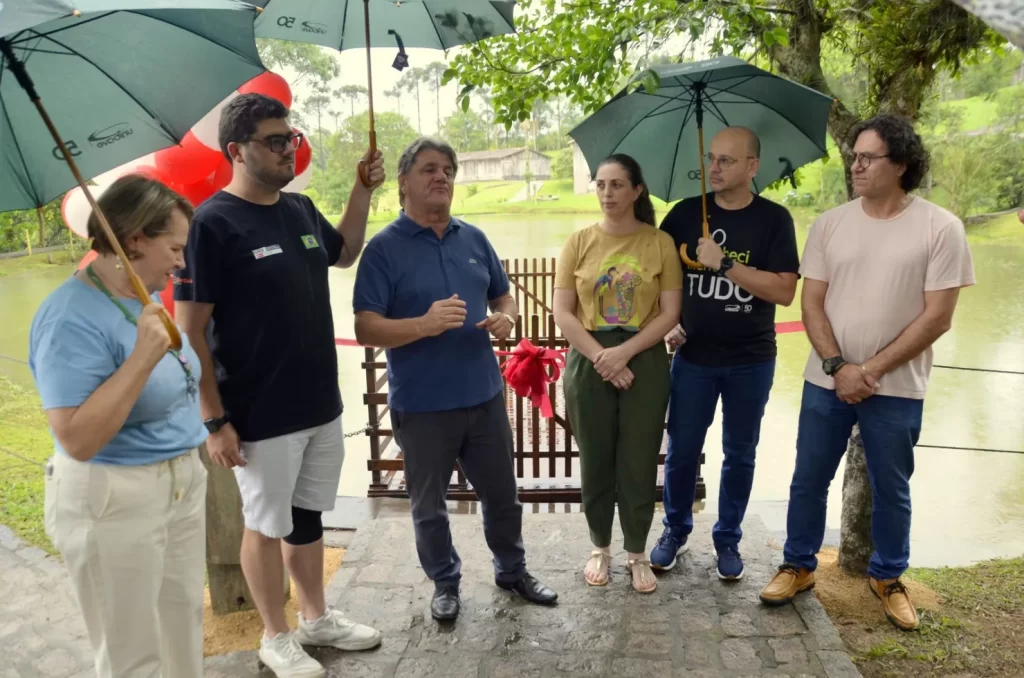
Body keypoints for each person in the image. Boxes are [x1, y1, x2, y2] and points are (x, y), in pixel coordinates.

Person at [174, 93, 384, 678]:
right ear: (236, 151)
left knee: (307, 518)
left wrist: (362, 190)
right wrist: (215, 421)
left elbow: (344, 254)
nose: (288, 148)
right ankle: (275, 633)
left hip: (319, 402)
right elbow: (188, 332)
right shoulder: (212, 224)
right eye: (274, 140)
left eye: (290, 138)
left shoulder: (299, 209)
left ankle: (316, 618)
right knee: (265, 525)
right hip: (257, 412)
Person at [759, 115, 975, 631]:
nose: (855, 165)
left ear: (899, 164)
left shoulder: (939, 227)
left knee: (891, 485)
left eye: (867, 157)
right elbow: (812, 303)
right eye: (854, 156)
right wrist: (838, 367)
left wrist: (869, 370)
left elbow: (938, 317)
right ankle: (798, 565)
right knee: (808, 478)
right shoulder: (832, 223)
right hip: (825, 381)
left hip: (896, 386)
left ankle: (888, 577)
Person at [352, 137, 558, 621]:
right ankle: (445, 582)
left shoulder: (474, 239)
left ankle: (512, 570)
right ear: (403, 182)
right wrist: (423, 324)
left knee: (504, 497)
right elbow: (365, 328)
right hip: (421, 406)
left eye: (447, 169)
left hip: (483, 396)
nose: (440, 176)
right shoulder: (383, 249)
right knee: (429, 507)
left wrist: (507, 318)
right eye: (428, 169)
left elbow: (503, 297)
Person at [29, 174, 208, 678]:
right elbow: (77, 438)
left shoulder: (136, 297)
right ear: (133, 240)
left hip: (178, 485)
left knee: (182, 627)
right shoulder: (69, 316)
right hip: (114, 499)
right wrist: (142, 359)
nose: (180, 261)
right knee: (133, 653)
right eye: (174, 248)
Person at [651, 127, 800, 580]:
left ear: (752, 167)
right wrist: (668, 321)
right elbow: (658, 278)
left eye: (726, 161)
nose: (714, 168)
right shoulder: (681, 216)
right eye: (711, 159)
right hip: (693, 358)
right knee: (681, 450)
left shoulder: (774, 220)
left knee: (740, 452)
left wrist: (726, 264)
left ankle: (727, 538)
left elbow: (785, 290)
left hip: (750, 360)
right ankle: (675, 530)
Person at [552, 154, 682, 593]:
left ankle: (637, 552)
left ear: (636, 191)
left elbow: (670, 313)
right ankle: (600, 546)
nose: (608, 194)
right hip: (589, 358)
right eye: (601, 185)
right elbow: (563, 312)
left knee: (640, 458)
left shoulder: (659, 241)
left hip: (642, 357)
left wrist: (623, 354)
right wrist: (601, 358)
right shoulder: (578, 241)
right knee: (595, 457)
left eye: (617, 185)